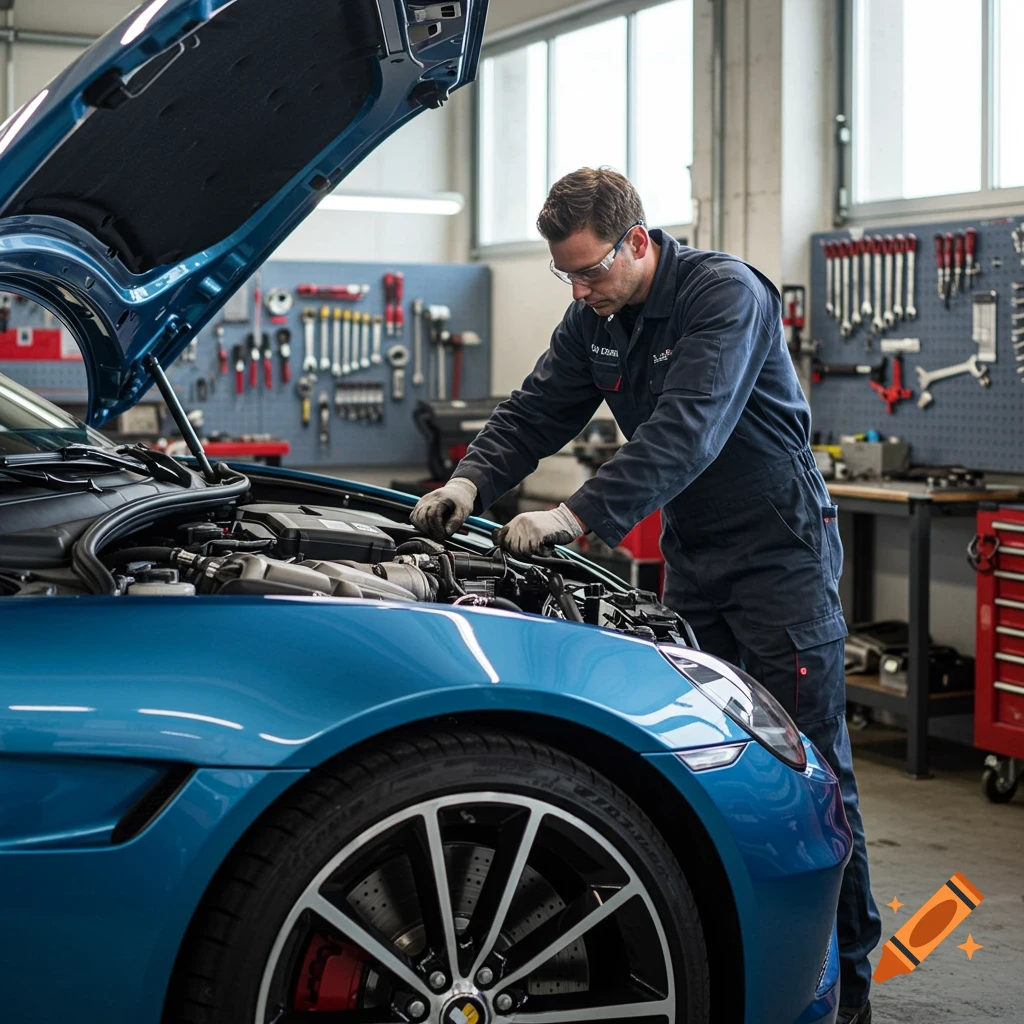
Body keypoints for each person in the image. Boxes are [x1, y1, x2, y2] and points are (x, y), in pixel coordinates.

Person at [410, 167, 881, 1023]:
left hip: (779, 554)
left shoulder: (724, 296)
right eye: (568, 276)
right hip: (695, 554)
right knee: (714, 754)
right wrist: (471, 483)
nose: (582, 290)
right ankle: (743, 956)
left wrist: (574, 517)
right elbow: (539, 408)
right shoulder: (597, 315)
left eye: (591, 271)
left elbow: (687, 429)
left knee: (811, 769)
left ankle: (846, 985)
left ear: (637, 240)